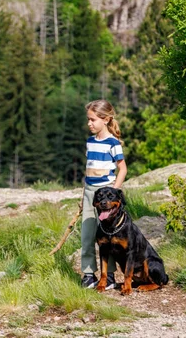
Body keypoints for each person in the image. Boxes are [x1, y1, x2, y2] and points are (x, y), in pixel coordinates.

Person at [81, 99, 127, 289]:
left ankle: (108, 276)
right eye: (88, 120)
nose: (89, 123)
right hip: (89, 194)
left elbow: (122, 169)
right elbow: (89, 170)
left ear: (106, 119)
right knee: (87, 235)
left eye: (93, 120)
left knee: (107, 237)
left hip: (106, 194)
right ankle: (88, 274)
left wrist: (113, 192)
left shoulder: (113, 143)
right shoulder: (90, 142)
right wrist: (83, 195)